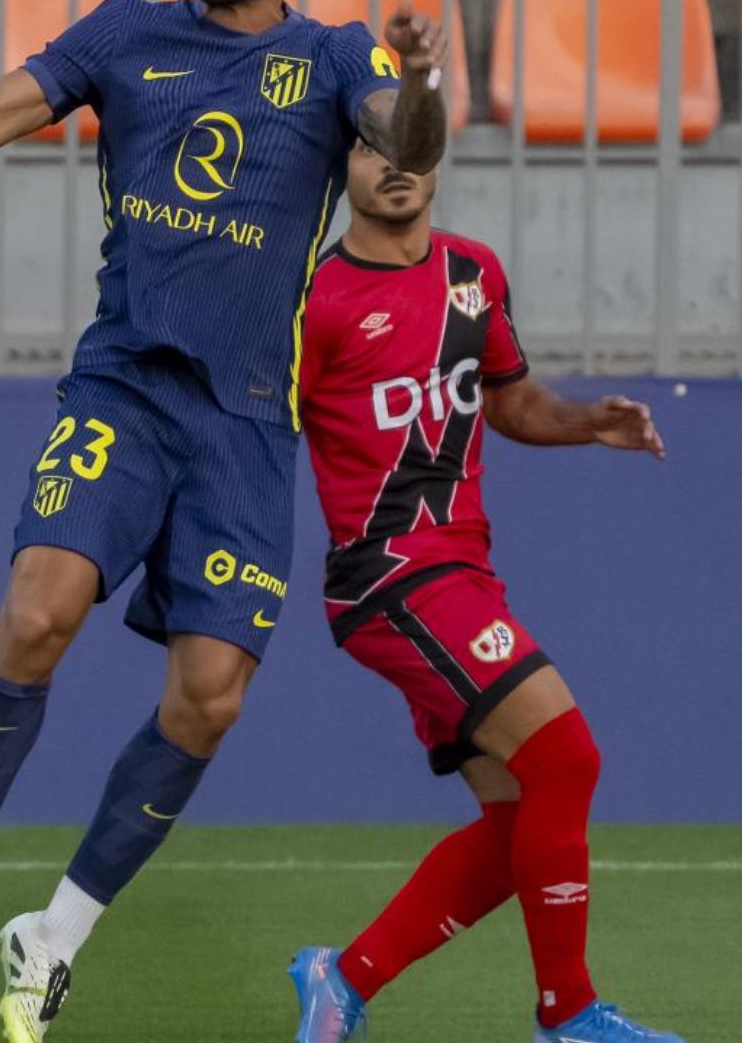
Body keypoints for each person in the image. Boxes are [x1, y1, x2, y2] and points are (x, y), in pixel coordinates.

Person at [0, 0, 449, 1042]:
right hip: (125, 386)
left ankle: (55, 935)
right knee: (38, 609)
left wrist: (421, 77)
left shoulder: (339, 56)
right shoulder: (125, 31)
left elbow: (409, 139)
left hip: (245, 427)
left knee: (210, 697)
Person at [289, 139, 680, 1043]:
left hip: (461, 575)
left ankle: (339, 979)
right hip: (389, 576)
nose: (396, 163)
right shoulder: (316, 301)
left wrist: (589, 423)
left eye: (415, 144)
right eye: (371, 144)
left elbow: (508, 402)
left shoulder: (475, 272)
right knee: (568, 758)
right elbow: (253, 425)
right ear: (339, 163)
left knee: (516, 824)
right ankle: (570, 1015)